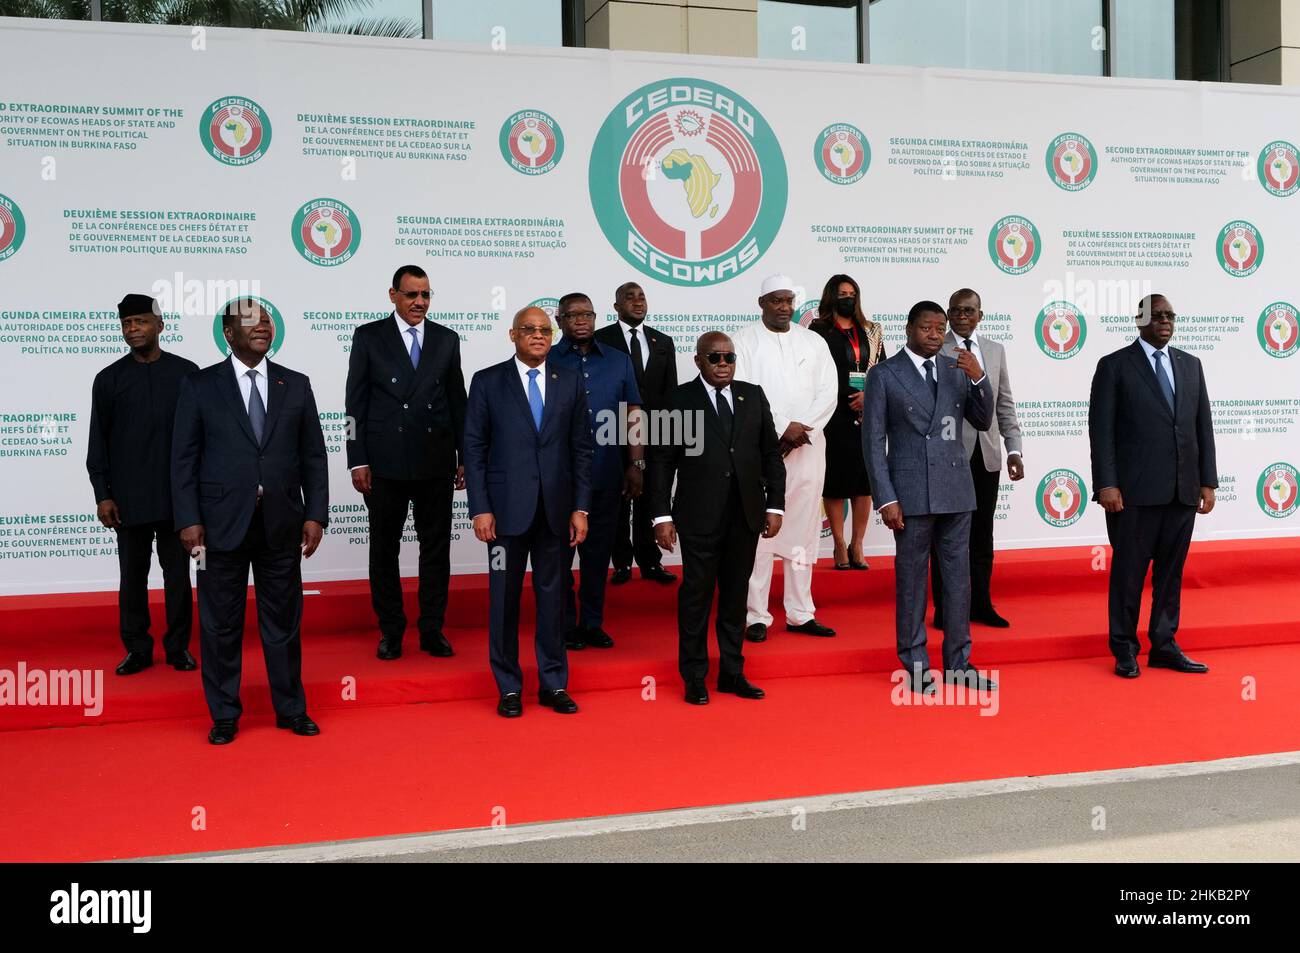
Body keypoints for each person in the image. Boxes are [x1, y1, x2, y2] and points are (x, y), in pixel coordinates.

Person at [171, 298, 329, 745]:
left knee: (283, 621)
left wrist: (316, 512)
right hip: (218, 525)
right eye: (251, 321)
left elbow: (313, 455)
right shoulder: (200, 386)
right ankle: (224, 713)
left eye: (267, 320)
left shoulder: (295, 384)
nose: (262, 326)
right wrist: (188, 517)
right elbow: (183, 458)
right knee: (220, 625)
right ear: (228, 332)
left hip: (281, 522)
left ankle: (291, 709)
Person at [463, 306, 593, 717]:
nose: (538, 335)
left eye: (544, 330)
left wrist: (580, 507)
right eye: (529, 330)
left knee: (553, 600)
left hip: (555, 512)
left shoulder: (569, 381)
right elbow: (474, 450)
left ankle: (554, 683)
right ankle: (508, 687)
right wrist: (480, 509)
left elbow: (582, 450)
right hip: (504, 516)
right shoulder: (487, 382)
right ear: (512, 334)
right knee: (503, 599)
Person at [862, 300, 994, 694]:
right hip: (911, 494)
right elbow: (872, 443)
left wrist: (978, 378)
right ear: (908, 329)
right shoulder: (884, 375)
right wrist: (886, 498)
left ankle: (959, 663)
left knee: (958, 582)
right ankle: (916, 665)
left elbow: (983, 420)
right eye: (926, 328)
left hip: (957, 492)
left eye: (940, 329)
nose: (935, 335)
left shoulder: (958, 367)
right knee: (913, 582)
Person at [649, 333, 785, 704]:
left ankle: (732, 673)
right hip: (697, 516)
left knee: (735, 596)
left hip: (745, 516)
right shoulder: (676, 400)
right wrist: (661, 515)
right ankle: (694, 675)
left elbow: (771, 454)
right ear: (698, 362)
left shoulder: (752, 395)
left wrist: (775, 505)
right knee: (696, 595)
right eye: (714, 358)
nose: (723, 363)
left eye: (729, 357)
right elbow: (661, 462)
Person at [1088, 293, 1216, 679]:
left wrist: (1207, 481)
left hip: (1182, 490)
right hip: (1132, 494)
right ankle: (1124, 648)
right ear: (1140, 319)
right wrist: (1107, 484)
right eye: (1157, 315)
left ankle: (1164, 644)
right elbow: (1101, 431)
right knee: (1128, 573)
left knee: (1170, 574)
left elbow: (1201, 427)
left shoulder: (1190, 365)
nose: (1165, 321)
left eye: (1170, 316)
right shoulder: (1114, 366)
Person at [345, 265, 467, 661]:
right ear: (393, 295)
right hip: (383, 464)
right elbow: (354, 406)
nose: (419, 303)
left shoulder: (447, 340)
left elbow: (457, 402)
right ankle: (391, 629)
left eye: (426, 295)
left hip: (435, 460)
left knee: (436, 549)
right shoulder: (368, 337)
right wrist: (356, 459)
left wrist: (464, 455)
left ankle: (432, 628)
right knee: (384, 550)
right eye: (412, 294)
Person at [86, 293, 199, 676]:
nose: (133, 330)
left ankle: (179, 647)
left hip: (177, 498)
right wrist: (103, 495)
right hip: (128, 499)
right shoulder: (109, 379)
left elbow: (203, 438)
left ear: (160, 325)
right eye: (126, 324)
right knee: (131, 578)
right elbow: (97, 441)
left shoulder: (188, 374)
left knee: (178, 578)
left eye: (140, 322)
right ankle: (137, 648)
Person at [733, 274, 838, 643]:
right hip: (760, 450)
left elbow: (829, 391)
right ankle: (756, 615)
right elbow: (741, 391)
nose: (784, 307)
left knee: (803, 529)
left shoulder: (814, 342)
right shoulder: (742, 341)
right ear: (762, 303)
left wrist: (801, 430)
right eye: (776, 300)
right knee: (761, 529)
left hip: (808, 448)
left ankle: (800, 612)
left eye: (789, 301)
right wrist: (779, 430)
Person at [550, 292, 644, 650]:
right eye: (573, 315)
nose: (581, 321)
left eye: (587, 314)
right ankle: (563, 624)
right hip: (558, 477)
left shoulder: (619, 361)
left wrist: (636, 463)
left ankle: (592, 622)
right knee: (559, 557)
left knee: (597, 554)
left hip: (607, 473)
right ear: (559, 320)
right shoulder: (547, 359)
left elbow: (633, 413)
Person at [931, 288, 1024, 629]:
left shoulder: (994, 351)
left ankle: (981, 604)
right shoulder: (936, 350)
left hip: (986, 457)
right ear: (948, 314)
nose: (963, 316)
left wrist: (1013, 448)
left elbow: (1004, 405)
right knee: (946, 536)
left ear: (980, 315)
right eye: (956, 311)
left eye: (969, 311)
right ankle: (945, 609)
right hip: (949, 457)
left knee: (982, 536)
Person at [594, 281, 678, 585]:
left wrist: (670, 435)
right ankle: (621, 562)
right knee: (618, 499)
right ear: (616, 307)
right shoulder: (600, 339)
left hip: (654, 433)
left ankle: (650, 561)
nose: (637, 301)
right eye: (629, 298)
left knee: (651, 496)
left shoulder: (662, 341)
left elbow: (669, 394)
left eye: (641, 296)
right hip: (612, 431)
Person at [807, 274, 884, 571]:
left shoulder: (871, 330)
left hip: (867, 412)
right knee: (837, 481)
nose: (847, 297)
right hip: (833, 413)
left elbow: (882, 367)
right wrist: (841, 397)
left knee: (864, 482)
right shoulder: (819, 330)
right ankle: (839, 543)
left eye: (852, 292)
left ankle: (858, 543)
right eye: (842, 293)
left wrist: (869, 395)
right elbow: (815, 372)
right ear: (831, 296)